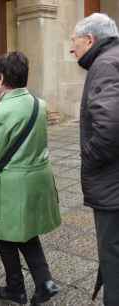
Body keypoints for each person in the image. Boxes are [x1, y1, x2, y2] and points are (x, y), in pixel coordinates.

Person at [0, 52, 61, 306]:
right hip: (39, 176)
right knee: (26, 231)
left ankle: (16, 289)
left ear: (0, 78)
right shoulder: (39, 103)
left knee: (5, 235)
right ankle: (45, 282)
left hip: (14, 183)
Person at [70, 13, 119, 306]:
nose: (71, 49)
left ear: (90, 40)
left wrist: (88, 155)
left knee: (112, 252)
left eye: (74, 42)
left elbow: (110, 125)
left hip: (112, 184)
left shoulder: (105, 65)